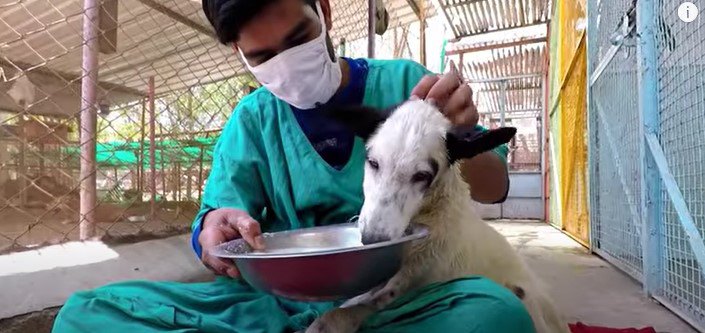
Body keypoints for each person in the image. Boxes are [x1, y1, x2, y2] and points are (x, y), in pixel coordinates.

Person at [52, 0, 535, 332]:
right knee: (84, 314)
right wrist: (212, 234)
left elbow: (494, 188)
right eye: (261, 56)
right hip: (274, 304)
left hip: (397, 301)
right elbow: (216, 225)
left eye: (298, 37)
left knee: (496, 316)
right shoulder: (252, 121)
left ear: (323, 10)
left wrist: (460, 135)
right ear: (240, 55)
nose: (286, 64)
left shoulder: (409, 86)